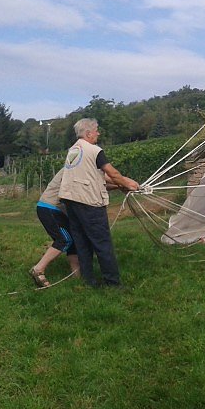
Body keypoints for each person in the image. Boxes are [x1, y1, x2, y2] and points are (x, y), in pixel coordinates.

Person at [59, 118, 139, 287]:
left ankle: (88, 281)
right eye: (96, 130)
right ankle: (113, 283)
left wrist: (120, 186)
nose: (98, 133)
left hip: (71, 201)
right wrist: (128, 184)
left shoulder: (73, 150)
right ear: (88, 133)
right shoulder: (94, 150)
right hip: (89, 203)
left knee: (82, 242)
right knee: (102, 242)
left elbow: (95, 178)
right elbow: (113, 173)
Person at [29, 168, 79, 288]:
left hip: (57, 210)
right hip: (49, 208)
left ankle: (77, 277)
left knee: (73, 242)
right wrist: (122, 183)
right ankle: (38, 269)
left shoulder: (78, 165)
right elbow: (100, 181)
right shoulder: (74, 167)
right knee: (64, 240)